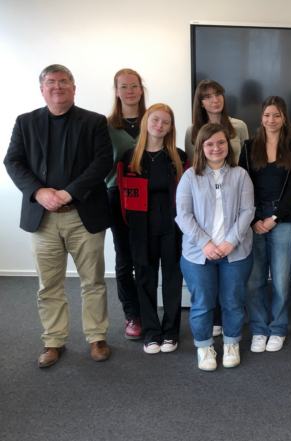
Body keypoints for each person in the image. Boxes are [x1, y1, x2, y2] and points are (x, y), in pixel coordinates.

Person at [4, 64, 112, 367]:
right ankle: (53, 341)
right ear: (42, 89)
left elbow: (102, 162)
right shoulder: (25, 122)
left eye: (64, 81)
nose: (57, 87)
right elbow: (13, 161)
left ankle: (96, 336)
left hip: (83, 214)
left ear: (74, 88)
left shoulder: (94, 121)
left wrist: (68, 193)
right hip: (42, 218)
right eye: (50, 82)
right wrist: (39, 193)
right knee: (49, 284)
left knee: (93, 280)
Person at [176, 123, 254, 371]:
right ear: (200, 147)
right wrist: (205, 244)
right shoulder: (190, 176)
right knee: (202, 302)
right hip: (199, 254)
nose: (215, 148)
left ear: (228, 145)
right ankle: (204, 347)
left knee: (232, 301)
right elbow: (183, 215)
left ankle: (231, 343)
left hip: (236, 252)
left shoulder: (241, 174)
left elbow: (247, 211)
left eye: (221, 142)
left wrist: (231, 241)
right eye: (209, 143)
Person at [118, 103, 188, 354]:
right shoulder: (128, 158)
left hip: (172, 226)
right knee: (145, 279)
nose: (160, 125)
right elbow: (123, 198)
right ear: (147, 121)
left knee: (172, 278)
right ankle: (150, 332)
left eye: (165, 122)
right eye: (155, 120)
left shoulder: (179, 157)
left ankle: (170, 332)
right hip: (141, 227)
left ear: (171, 128)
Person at [240, 96, 291, 353]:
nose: (271, 120)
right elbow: (242, 186)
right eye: (267, 115)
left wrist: (274, 218)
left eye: (276, 115)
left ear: (284, 118)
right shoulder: (248, 146)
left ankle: (278, 328)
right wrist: (255, 218)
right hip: (253, 218)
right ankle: (258, 329)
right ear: (261, 117)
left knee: (280, 280)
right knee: (254, 280)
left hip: (283, 220)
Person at [185, 79, 249, 337]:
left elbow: (245, 161)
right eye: (208, 96)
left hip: (236, 194)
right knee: (206, 281)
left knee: (232, 279)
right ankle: (211, 325)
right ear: (200, 102)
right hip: (204, 204)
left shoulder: (239, 127)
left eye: (219, 94)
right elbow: (195, 166)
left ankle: (229, 325)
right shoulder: (193, 130)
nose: (215, 100)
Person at [105, 68, 147, 340]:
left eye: (134, 86)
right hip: (117, 195)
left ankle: (148, 310)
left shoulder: (154, 119)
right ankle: (132, 314)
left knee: (147, 256)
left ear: (141, 89)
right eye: (124, 87)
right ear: (117, 91)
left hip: (151, 195)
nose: (129, 91)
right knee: (124, 259)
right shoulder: (105, 125)